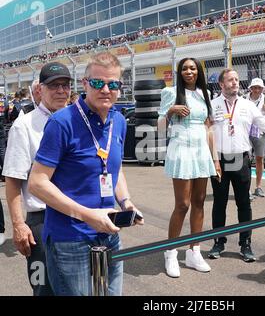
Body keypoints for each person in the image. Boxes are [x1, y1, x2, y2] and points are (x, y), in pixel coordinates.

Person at [28, 52, 143, 296]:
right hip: (70, 237)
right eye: (98, 83)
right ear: (85, 83)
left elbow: (114, 169)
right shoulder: (62, 122)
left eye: (112, 84)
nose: (105, 89)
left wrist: (126, 202)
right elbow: (37, 183)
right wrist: (87, 215)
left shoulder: (118, 120)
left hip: (109, 231)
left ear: (120, 87)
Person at [208, 69, 265, 262]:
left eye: (236, 79)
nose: (235, 82)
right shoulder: (212, 105)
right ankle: (219, 242)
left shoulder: (247, 105)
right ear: (221, 84)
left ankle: (246, 244)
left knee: (243, 202)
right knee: (219, 203)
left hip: (241, 159)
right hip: (219, 160)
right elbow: (206, 131)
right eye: (230, 80)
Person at [2, 62, 71, 295]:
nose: (61, 90)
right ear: (40, 90)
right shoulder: (24, 125)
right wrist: (19, 224)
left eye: (65, 85)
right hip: (42, 222)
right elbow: (12, 180)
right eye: (54, 86)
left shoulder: (79, 121)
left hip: (77, 218)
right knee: (43, 288)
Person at [158, 57, 215, 278]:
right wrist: (170, 111)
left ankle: (194, 251)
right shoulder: (170, 92)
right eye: (184, 68)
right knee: (182, 204)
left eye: (192, 68)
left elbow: (208, 128)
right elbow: (160, 128)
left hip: (201, 151)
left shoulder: (205, 93)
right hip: (181, 149)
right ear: (179, 72)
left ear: (198, 71)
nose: (188, 72)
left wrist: (216, 159)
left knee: (199, 201)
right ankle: (171, 252)